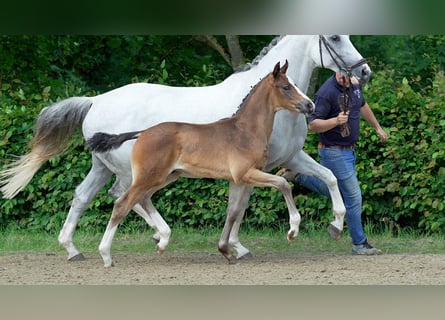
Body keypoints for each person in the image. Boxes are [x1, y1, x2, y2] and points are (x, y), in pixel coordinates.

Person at [283, 71, 388, 255]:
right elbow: (313, 125)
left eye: (346, 75)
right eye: (339, 74)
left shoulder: (355, 85)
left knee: (337, 190)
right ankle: (359, 244)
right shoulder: (327, 92)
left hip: (349, 151)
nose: (342, 78)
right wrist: (335, 121)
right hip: (334, 151)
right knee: (353, 197)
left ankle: (299, 176)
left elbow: (362, 105)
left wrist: (377, 127)